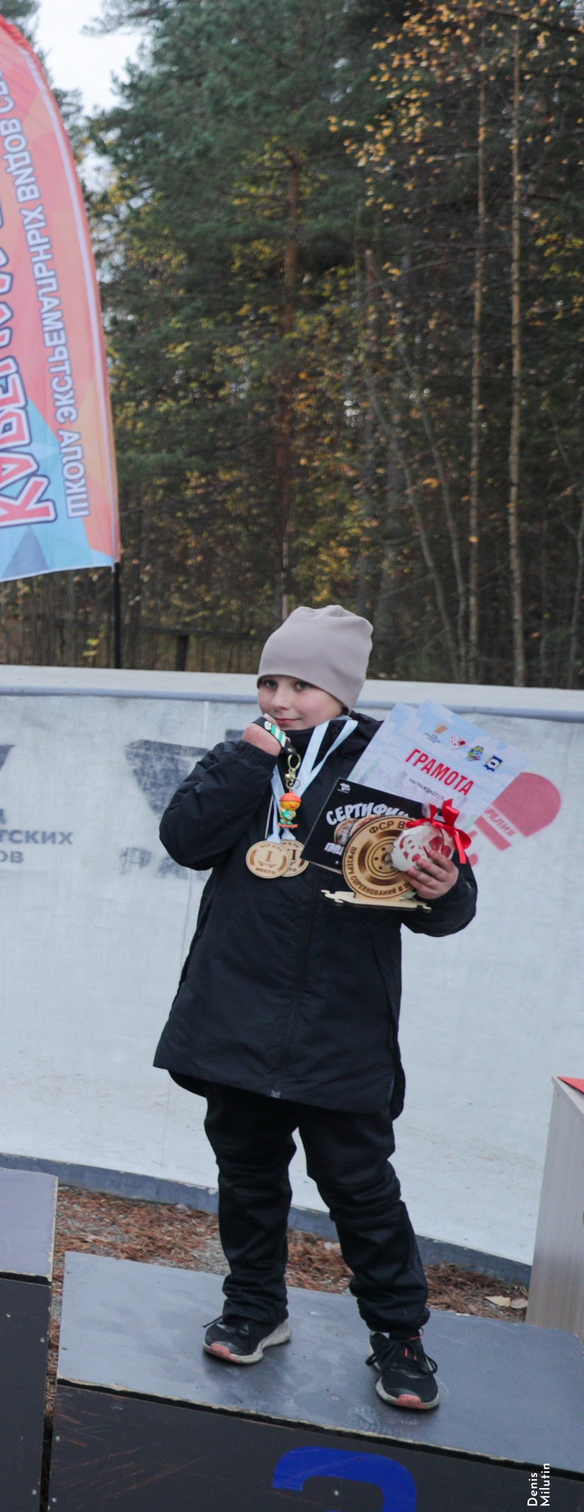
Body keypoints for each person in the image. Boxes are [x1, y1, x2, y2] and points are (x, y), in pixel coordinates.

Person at [154, 604, 475, 1411]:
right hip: (236, 1008)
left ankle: (399, 1335)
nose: (281, 698)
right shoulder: (245, 755)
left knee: (360, 1186)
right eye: (269, 680)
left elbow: (448, 895)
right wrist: (246, 762)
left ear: (341, 690)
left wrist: (444, 888)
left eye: (301, 684)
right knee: (248, 1174)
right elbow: (184, 839)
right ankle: (256, 1306)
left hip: (341, 1021)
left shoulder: (400, 767)